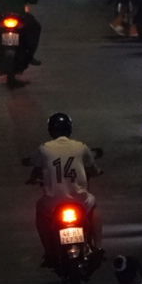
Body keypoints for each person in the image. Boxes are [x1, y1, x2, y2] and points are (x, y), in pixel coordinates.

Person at [30, 112, 101, 264]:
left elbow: (36, 170)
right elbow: (93, 169)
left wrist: (32, 179)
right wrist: (96, 172)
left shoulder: (44, 148)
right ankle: (98, 247)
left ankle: (49, 251)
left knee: (39, 210)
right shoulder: (80, 146)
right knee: (92, 205)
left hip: (53, 201)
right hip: (80, 199)